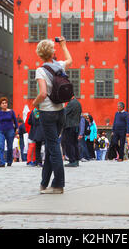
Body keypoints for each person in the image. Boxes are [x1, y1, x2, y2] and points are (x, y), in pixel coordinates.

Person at [33, 36, 72, 194]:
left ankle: (58, 185)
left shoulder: (41, 70)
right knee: (50, 147)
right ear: (52, 52)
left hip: (47, 113)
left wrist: (34, 103)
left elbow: (42, 94)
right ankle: (44, 183)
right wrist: (63, 45)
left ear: (40, 54)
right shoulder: (59, 66)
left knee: (54, 148)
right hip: (60, 111)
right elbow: (69, 60)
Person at [0, 97, 18, 168]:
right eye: (2, 103)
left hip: (10, 130)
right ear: (0, 105)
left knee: (10, 147)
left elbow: (15, 121)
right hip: (1, 131)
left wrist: (17, 129)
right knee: (1, 146)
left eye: (5, 103)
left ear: (7, 104)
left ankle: (9, 161)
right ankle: (2, 162)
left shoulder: (11, 112)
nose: (4, 104)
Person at [62, 93, 82, 167]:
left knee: (69, 144)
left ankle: (72, 160)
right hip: (76, 125)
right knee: (75, 143)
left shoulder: (71, 103)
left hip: (70, 126)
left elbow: (65, 112)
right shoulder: (78, 103)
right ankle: (76, 160)